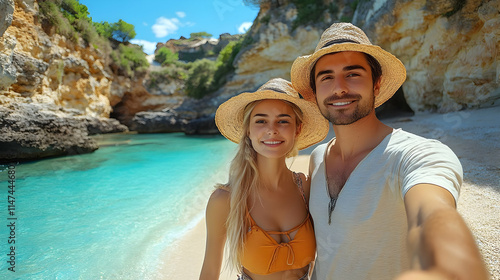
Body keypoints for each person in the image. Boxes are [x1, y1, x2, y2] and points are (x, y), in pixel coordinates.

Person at [290, 22, 489, 280]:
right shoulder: (317, 157)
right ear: (315, 92)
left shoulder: (417, 155)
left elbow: (431, 214)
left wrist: (448, 266)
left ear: (376, 83)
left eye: (353, 74)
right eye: (326, 77)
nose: (339, 87)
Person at [199, 78, 329, 280]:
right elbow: (209, 273)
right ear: (248, 130)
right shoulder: (225, 200)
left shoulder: (305, 186)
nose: (272, 129)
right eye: (261, 120)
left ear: (297, 129)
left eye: (283, 120)